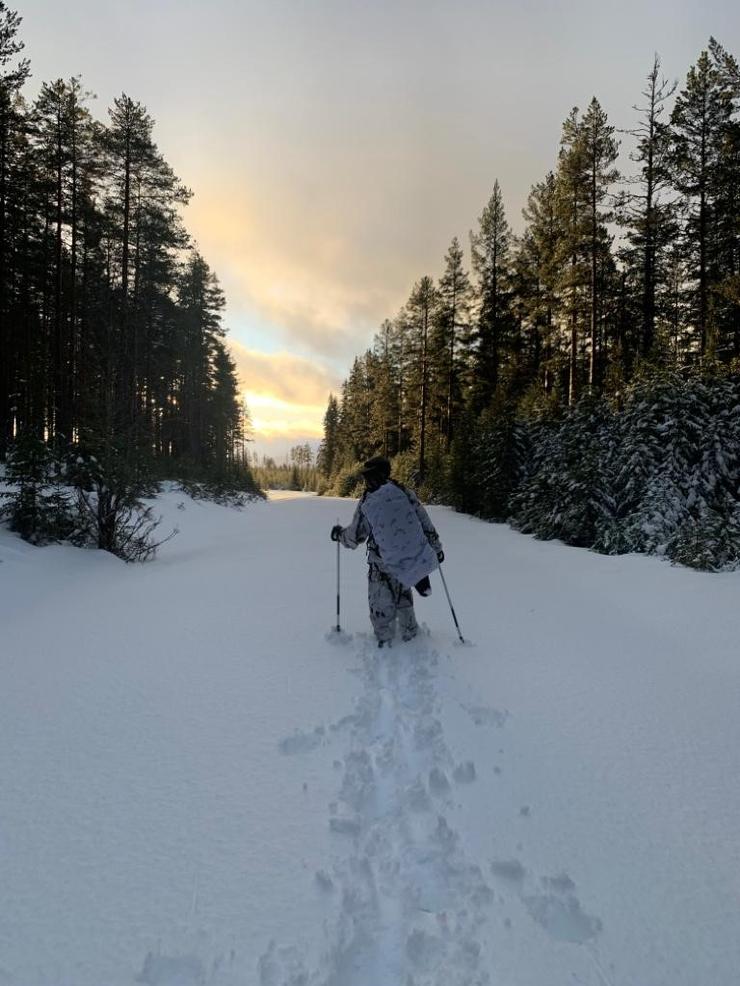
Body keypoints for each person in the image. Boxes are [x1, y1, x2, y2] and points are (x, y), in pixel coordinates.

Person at [330, 456, 444, 648]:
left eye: (368, 476)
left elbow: (355, 536)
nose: (366, 481)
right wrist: (436, 549)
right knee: (404, 599)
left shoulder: (369, 501)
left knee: (380, 603)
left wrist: (339, 535)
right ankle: (411, 639)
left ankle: (384, 643)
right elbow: (424, 522)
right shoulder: (404, 492)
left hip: (380, 564)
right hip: (407, 563)